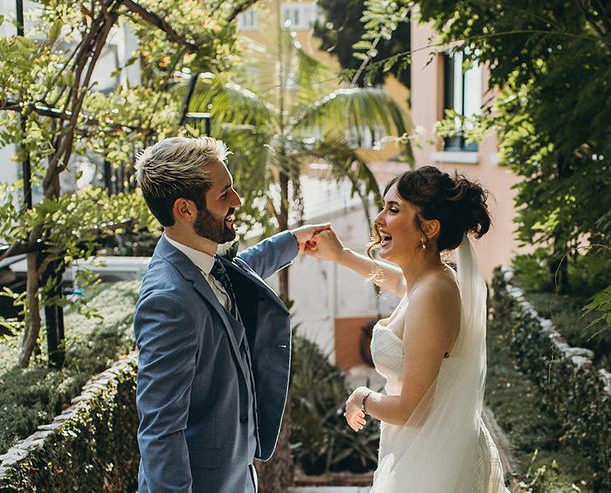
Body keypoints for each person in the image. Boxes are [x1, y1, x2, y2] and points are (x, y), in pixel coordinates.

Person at [133, 136, 327, 493]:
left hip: (237, 478)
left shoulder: (201, 261)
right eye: (225, 194)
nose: (236, 200)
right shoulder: (168, 303)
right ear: (185, 209)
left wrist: (292, 242)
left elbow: (240, 269)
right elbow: (161, 429)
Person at [310, 165, 511, 492]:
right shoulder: (429, 281)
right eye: (383, 207)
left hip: (434, 465)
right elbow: (395, 280)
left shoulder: (432, 295)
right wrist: (341, 255)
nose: (379, 219)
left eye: (393, 210)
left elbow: (413, 410)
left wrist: (361, 397)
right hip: (424, 450)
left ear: (428, 228)